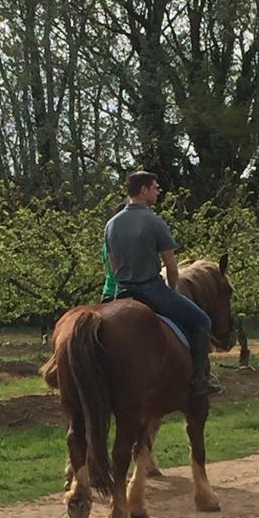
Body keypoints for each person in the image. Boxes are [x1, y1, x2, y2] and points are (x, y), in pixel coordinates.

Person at [105, 170, 221, 397]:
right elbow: (171, 265)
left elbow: (112, 263)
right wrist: (173, 289)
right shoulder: (154, 222)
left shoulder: (111, 224)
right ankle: (199, 380)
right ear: (143, 190)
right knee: (201, 321)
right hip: (151, 289)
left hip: (121, 291)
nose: (158, 191)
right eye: (155, 187)